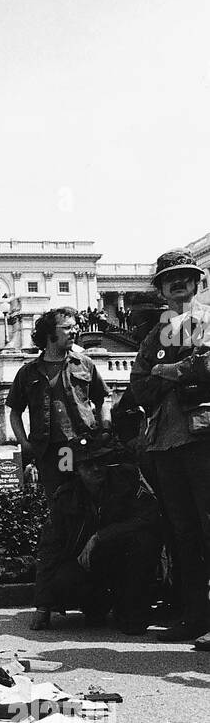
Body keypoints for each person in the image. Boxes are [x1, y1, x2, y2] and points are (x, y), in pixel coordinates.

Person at [130, 249, 210, 643]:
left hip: (203, 436)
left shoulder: (207, 321)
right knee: (184, 534)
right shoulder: (153, 336)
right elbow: (139, 389)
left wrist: (168, 370)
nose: (178, 283)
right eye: (169, 279)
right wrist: (179, 371)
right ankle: (196, 617)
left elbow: (206, 366)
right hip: (164, 440)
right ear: (160, 289)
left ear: (199, 282)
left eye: (185, 276)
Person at [30, 434, 162, 633]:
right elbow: (49, 548)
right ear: (77, 470)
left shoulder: (126, 481)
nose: (96, 469)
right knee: (62, 582)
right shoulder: (65, 498)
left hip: (122, 561)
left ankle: (131, 607)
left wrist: (101, 536)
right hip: (88, 566)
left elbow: (149, 517)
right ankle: (96, 606)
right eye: (87, 464)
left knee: (143, 541)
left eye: (100, 462)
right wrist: (42, 605)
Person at [6, 306, 109, 496]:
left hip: (83, 444)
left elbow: (102, 400)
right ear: (50, 333)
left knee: (91, 499)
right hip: (50, 450)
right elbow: (14, 412)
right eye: (67, 328)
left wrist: (104, 430)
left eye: (75, 327)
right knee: (62, 500)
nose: (75, 331)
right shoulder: (28, 372)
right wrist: (25, 444)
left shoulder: (84, 364)